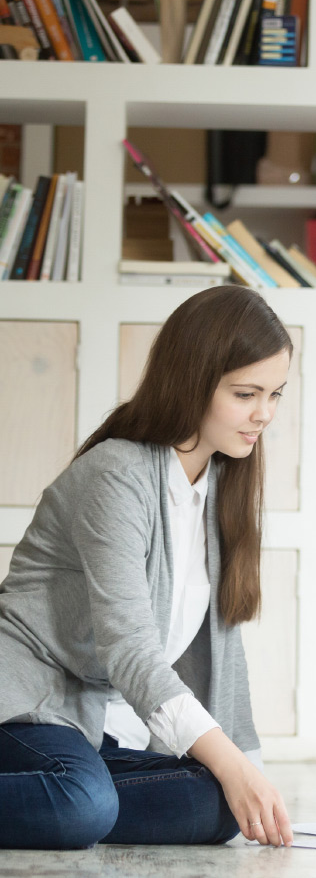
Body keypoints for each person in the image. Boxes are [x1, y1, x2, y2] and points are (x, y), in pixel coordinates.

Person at [0, 284, 296, 850]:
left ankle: (69, 801)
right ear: (191, 381)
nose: (265, 414)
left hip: (87, 722)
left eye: (276, 394)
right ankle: (73, 803)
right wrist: (235, 768)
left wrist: (247, 775)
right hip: (23, 701)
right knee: (81, 805)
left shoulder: (219, 483)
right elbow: (130, 648)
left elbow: (222, 652)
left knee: (214, 805)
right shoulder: (118, 475)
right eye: (245, 393)